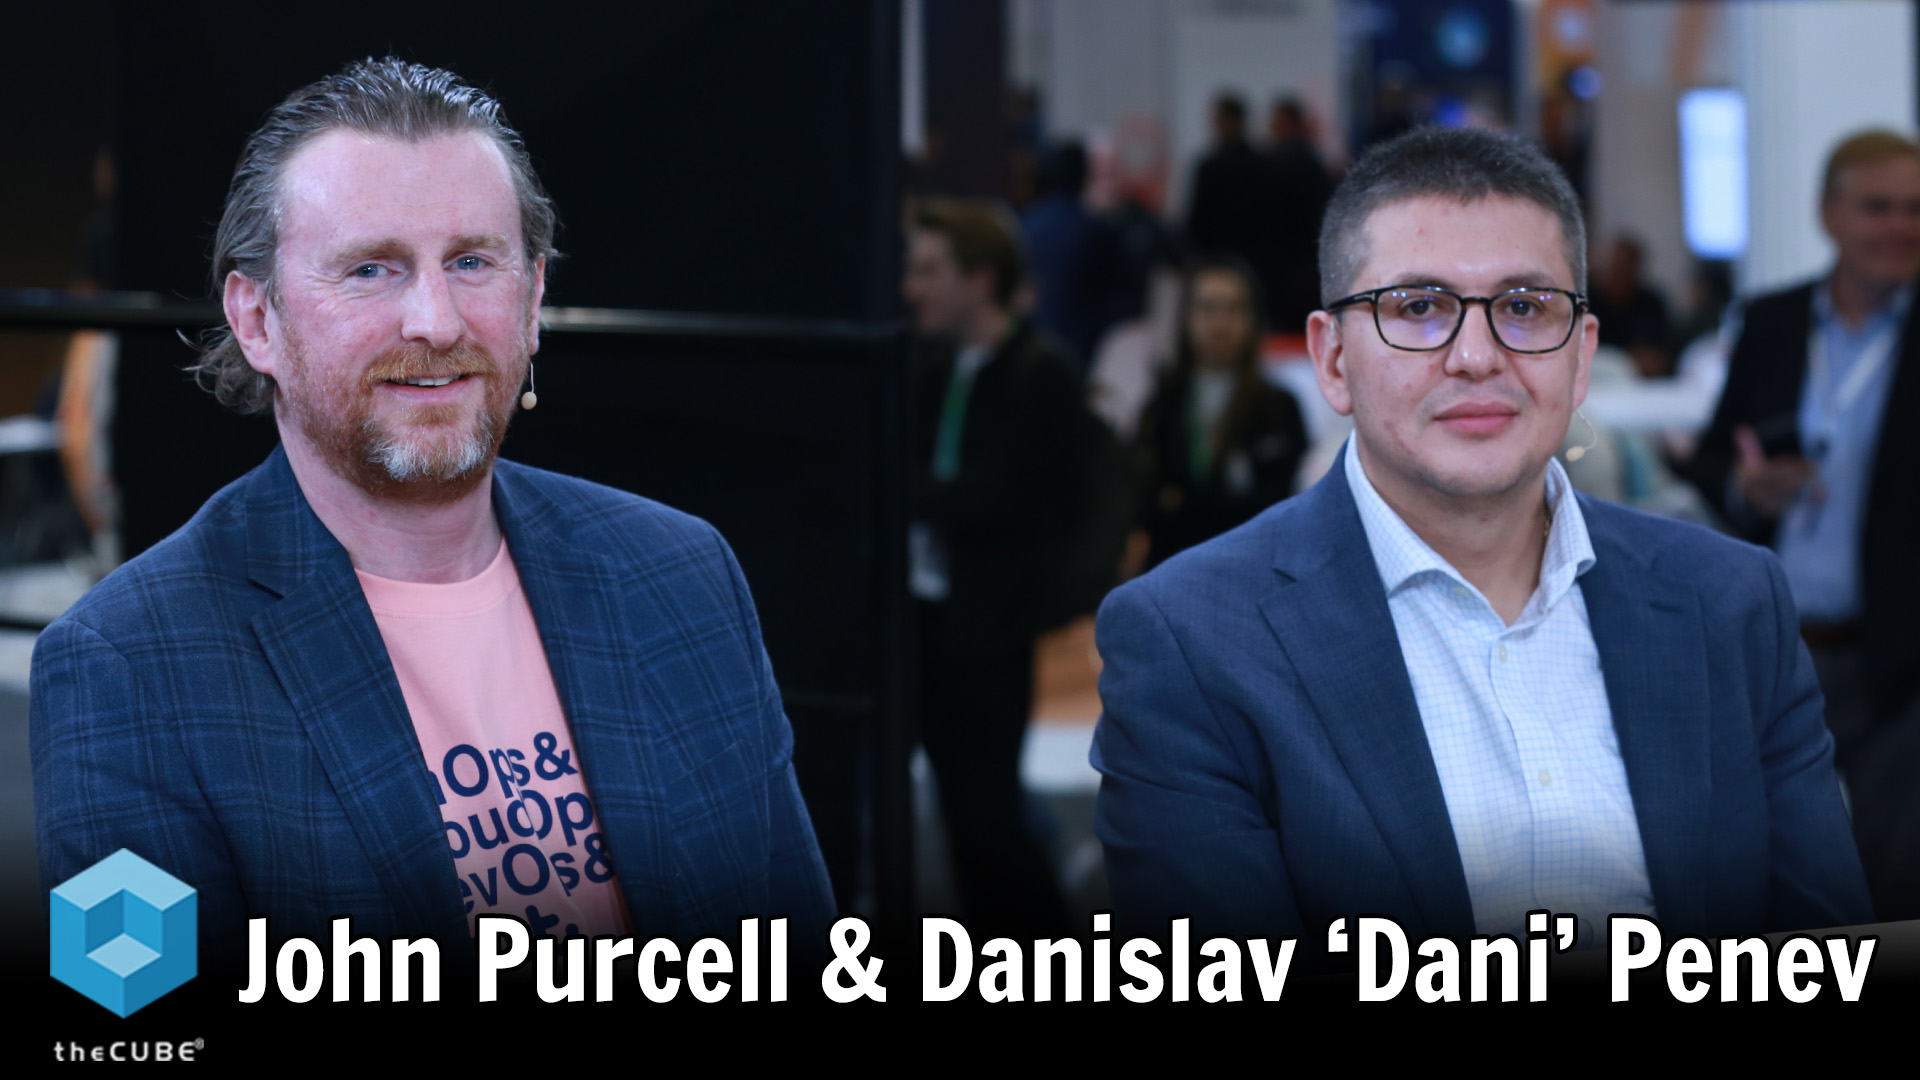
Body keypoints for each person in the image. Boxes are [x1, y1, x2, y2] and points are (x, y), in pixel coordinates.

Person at [31, 59, 835, 968]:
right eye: (371, 269)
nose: (436, 321)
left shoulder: (680, 572)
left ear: (533, 299)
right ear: (257, 322)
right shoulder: (127, 664)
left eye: (471, 263)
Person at [1093, 126, 1872, 956]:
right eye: (1418, 308)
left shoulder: (1731, 602)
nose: (1476, 356)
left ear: (1581, 358)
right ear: (1333, 360)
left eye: (1524, 308)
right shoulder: (1192, 639)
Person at [1689, 130, 1920, 764]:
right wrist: (1744, 487)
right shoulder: (1773, 321)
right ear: (1829, 214)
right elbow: (1711, 456)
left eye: (1914, 209)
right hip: (1774, 649)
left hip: (1897, 667)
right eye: (1878, 207)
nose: (1900, 227)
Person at [903, 199, 1077, 935]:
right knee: (956, 809)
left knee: (988, 811)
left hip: (991, 627)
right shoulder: (931, 364)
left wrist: (905, 489)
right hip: (924, 616)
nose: (912, 287)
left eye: (929, 270)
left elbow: (996, 497)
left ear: (979, 279)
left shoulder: (1039, 373)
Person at [1135, 256, 1306, 569]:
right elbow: (1145, 498)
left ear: (1253, 319)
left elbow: (1278, 500)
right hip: (1171, 565)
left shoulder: (1279, 406)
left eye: (1233, 308)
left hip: (1252, 563)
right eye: (1207, 307)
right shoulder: (1161, 406)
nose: (1219, 322)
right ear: (1186, 317)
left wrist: (1184, 502)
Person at [1185, 93, 1284, 316]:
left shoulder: (1209, 167)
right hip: (1260, 265)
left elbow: (1197, 222)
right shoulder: (1265, 165)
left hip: (1217, 264)